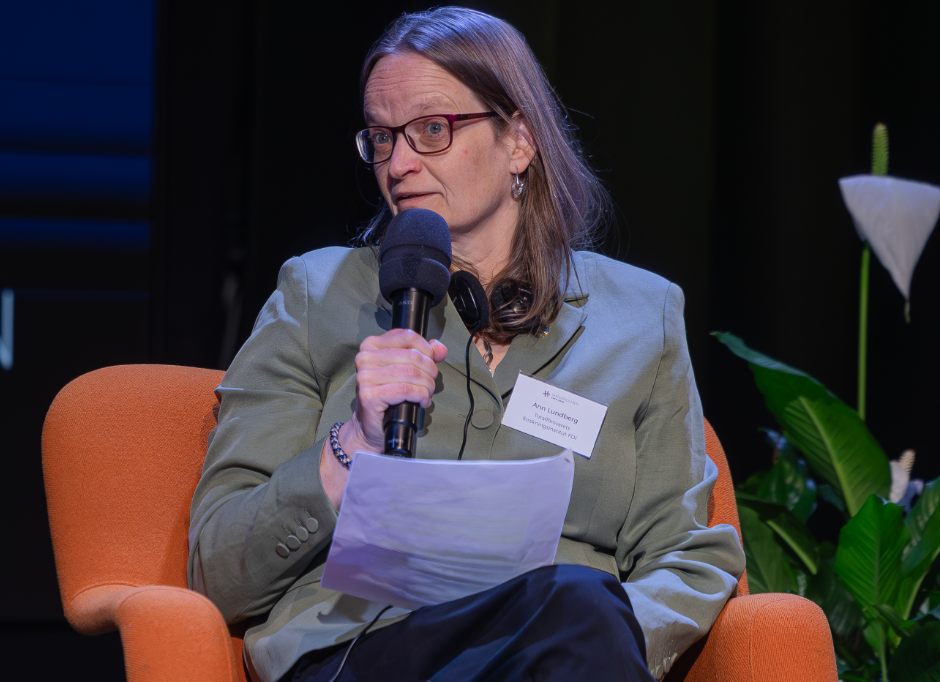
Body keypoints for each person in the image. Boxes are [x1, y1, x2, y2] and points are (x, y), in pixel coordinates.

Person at [188, 7, 745, 682]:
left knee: (578, 602)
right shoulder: (315, 295)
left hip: (565, 648)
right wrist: (351, 448)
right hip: (367, 652)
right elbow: (217, 570)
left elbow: (685, 557)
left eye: (432, 129)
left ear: (520, 142)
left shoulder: (642, 316)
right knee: (578, 606)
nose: (399, 165)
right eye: (381, 137)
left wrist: (610, 635)